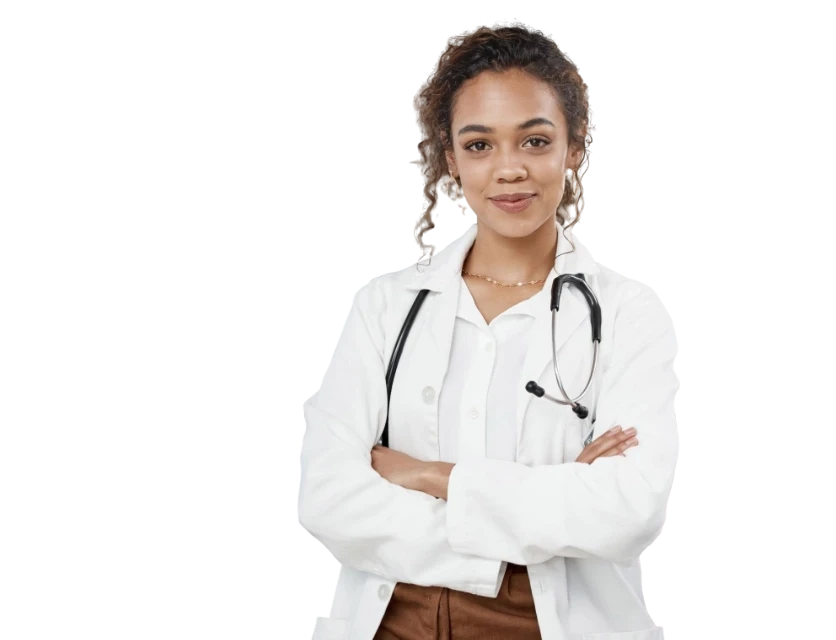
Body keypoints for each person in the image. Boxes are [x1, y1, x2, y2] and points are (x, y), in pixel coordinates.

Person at [298, 25, 678, 640]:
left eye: (534, 140)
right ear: (450, 158)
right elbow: (323, 498)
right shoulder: (386, 304)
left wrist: (429, 476)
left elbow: (628, 513)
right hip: (392, 621)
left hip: (545, 623)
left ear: (573, 149)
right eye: (479, 145)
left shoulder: (631, 311)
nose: (509, 170)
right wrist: (546, 507)